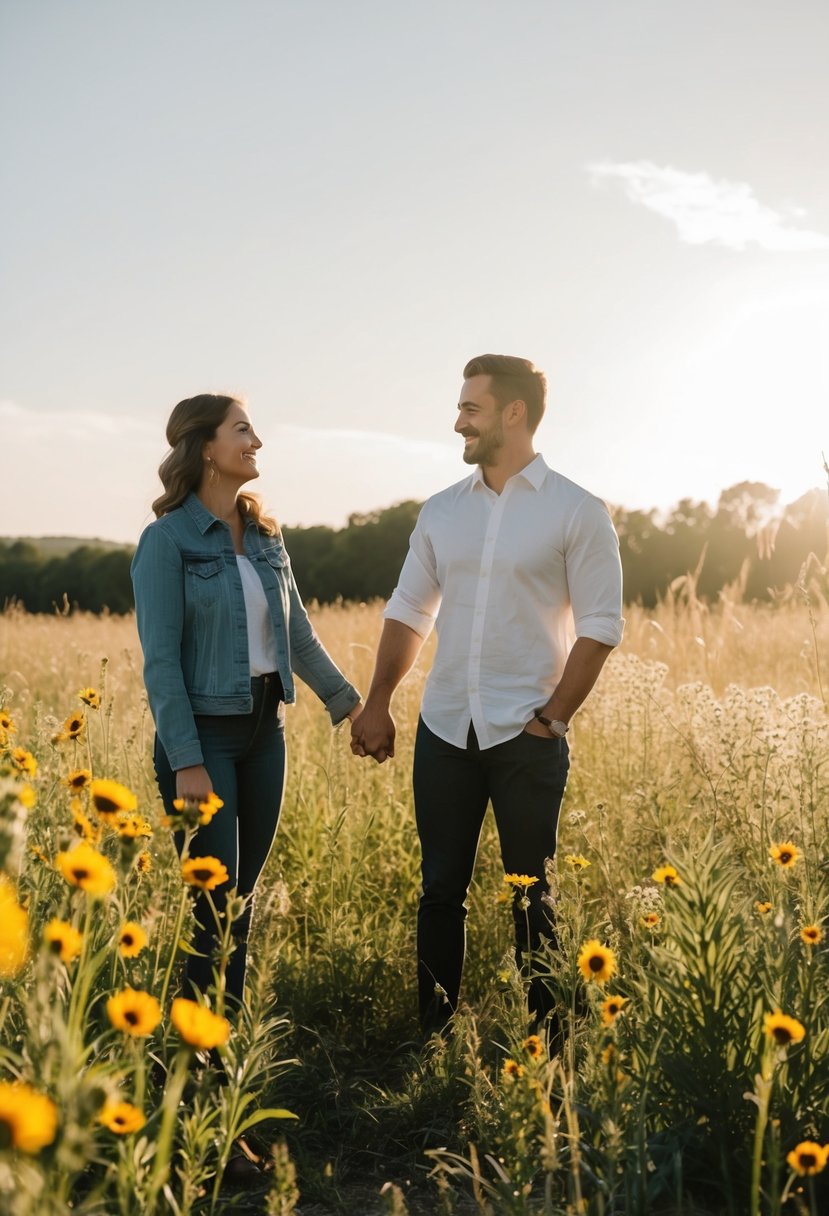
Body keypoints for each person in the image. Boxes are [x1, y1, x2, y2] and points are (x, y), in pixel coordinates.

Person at [350, 354, 624, 1033]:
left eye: (469, 409)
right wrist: (379, 700)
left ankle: (550, 1043)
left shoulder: (577, 511)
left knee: (533, 896)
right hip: (444, 729)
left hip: (526, 735)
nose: (457, 422)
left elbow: (599, 626)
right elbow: (409, 610)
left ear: (513, 413)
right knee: (440, 889)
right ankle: (432, 1034)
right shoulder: (441, 512)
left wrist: (552, 719)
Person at [131, 394, 361, 1005]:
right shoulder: (166, 541)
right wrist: (185, 758)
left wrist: (352, 705)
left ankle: (223, 1044)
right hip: (203, 738)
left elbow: (298, 636)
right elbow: (160, 661)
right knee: (214, 905)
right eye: (243, 430)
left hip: (267, 733)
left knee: (242, 899)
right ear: (207, 447)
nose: (256, 441)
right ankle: (192, 1057)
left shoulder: (264, 536)